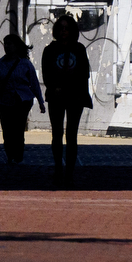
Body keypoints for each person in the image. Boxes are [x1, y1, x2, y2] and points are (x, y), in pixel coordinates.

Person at [0, 33, 45, 164]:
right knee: (7, 131)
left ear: (16, 46)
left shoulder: (25, 64)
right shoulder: (0, 64)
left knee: (18, 130)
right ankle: (10, 155)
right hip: (4, 101)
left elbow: (34, 84)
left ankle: (18, 155)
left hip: (22, 101)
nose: (7, 46)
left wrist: (41, 102)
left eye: (10, 43)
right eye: (5, 43)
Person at [41, 14, 92, 183]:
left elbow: (84, 73)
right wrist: (53, 87)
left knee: (72, 135)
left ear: (72, 31)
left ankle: (69, 171)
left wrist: (80, 92)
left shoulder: (79, 49)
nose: (64, 31)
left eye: (67, 28)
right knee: (57, 134)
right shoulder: (50, 50)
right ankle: (57, 168)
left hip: (75, 97)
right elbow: (46, 73)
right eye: (61, 28)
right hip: (56, 97)